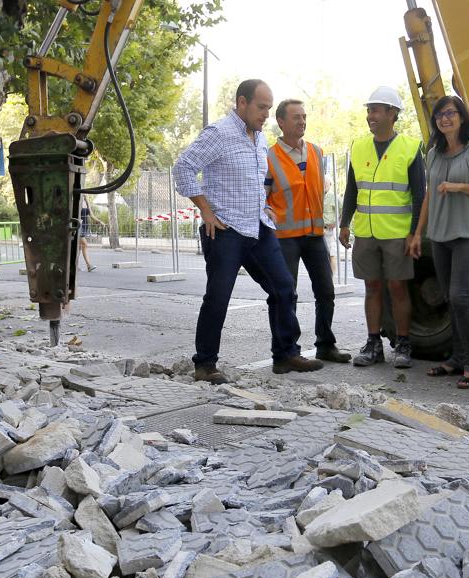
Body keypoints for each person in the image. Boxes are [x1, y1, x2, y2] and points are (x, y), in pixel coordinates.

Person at [173, 79, 324, 385]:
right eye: (261, 107)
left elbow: (256, 182)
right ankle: (205, 364)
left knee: (284, 289)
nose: (266, 114)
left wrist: (265, 208)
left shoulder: (258, 137)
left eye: (269, 108)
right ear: (242, 103)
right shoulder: (219, 133)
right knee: (218, 297)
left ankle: (285, 355)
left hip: (258, 228)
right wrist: (205, 210)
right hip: (226, 230)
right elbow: (183, 167)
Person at [411, 95, 469, 389]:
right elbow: (428, 197)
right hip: (439, 235)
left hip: (467, 234)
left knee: (461, 297)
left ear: (462, 117)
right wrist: (418, 234)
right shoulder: (434, 153)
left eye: (450, 113)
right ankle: (456, 358)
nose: (445, 118)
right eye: (439, 115)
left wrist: (459, 186)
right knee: (450, 298)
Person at [338, 85, 425, 369]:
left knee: (398, 289)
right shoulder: (359, 146)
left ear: (392, 113)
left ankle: (403, 342)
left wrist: (414, 232)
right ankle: (373, 343)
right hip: (366, 232)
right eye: (368, 110)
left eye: (375, 110)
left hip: (397, 233)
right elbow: (352, 189)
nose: (370, 115)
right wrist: (344, 224)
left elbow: (419, 195)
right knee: (372, 288)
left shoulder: (410, 149)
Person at [265, 99, 351, 363]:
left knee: (326, 291)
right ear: (280, 122)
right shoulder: (268, 156)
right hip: (285, 238)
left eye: (304, 117)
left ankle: (325, 345)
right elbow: (262, 195)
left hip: (314, 235)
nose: (302, 121)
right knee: (284, 295)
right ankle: (285, 353)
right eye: (296, 117)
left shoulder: (316, 151)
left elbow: (317, 189)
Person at [77, 199, 96, 272]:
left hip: (83, 228)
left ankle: (75, 265)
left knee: (78, 248)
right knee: (84, 244)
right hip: (79, 227)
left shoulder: (85, 201)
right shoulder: (77, 200)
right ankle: (89, 265)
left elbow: (91, 214)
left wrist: (87, 201)